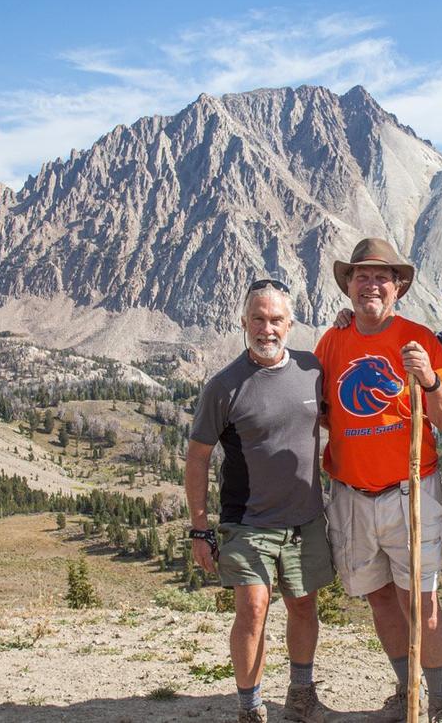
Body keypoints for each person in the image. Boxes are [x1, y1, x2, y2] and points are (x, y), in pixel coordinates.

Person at [314, 237, 442, 723]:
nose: (371, 284)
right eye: (361, 276)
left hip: (409, 491)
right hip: (352, 494)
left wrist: (431, 381)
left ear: (398, 286)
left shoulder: (419, 339)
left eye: (382, 276)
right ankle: (407, 689)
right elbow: (317, 409)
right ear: (348, 286)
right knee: (379, 597)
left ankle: (438, 702)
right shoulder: (333, 339)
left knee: (420, 599)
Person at [185, 278, 333, 723]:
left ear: (290, 323)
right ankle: (250, 705)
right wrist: (198, 527)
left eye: (275, 320)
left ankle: (301, 694)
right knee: (252, 609)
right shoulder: (224, 386)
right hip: (248, 521)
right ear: (244, 322)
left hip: (306, 519)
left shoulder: (312, 369)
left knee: (304, 605)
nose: (266, 329)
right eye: (258, 320)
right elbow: (197, 458)